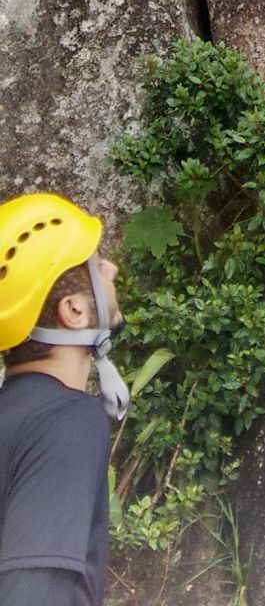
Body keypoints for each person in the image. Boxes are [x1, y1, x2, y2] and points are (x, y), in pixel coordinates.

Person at [0, 193, 130, 606]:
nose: (111, 268)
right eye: (96, 265)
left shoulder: (12, 417)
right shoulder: (67, 421)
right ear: (73, 312)